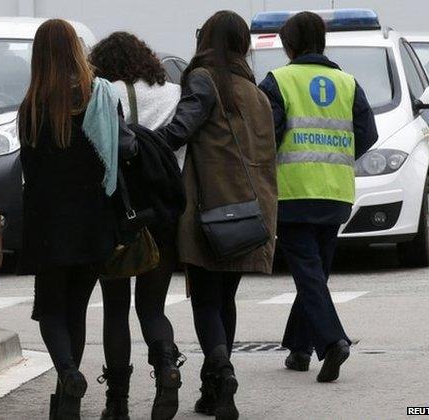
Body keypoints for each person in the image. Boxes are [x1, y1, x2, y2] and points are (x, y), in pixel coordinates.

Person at [156, 11, 277, 420]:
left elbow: (179, 130)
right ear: (242, 44)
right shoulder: (256, 93)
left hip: (211, 210)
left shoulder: (204, 80)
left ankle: (222, 373)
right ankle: (214, 389)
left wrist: (143, 142)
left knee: (205, 300)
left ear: (206, 39)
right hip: (251, 212)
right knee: (225, 298)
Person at [17, 19, 137, 420]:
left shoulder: (31, 107)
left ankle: (68, 375)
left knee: (51, 311)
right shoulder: (101, 97)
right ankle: (64, 400)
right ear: (76, 49)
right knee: (77, 311)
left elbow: (31, 173)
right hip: (94, 224)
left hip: (49, 227)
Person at [258, 11, 378, 382]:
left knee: (309, 274)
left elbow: (267, 135)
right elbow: (367, 133)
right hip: (336, 192)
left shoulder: (278, 81)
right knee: (314, 274)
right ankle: (299, 348)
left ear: (288, 45)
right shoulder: (348, 83)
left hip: (294, 192)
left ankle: (332, 342)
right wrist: (337, 155)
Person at [89, 32, 184, 420]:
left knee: (115, 309)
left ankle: (118, 402)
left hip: (118, 213)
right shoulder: (172, 94)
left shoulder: (102, 94)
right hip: (163, 211)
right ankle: (167, 369)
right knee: (152, 306)